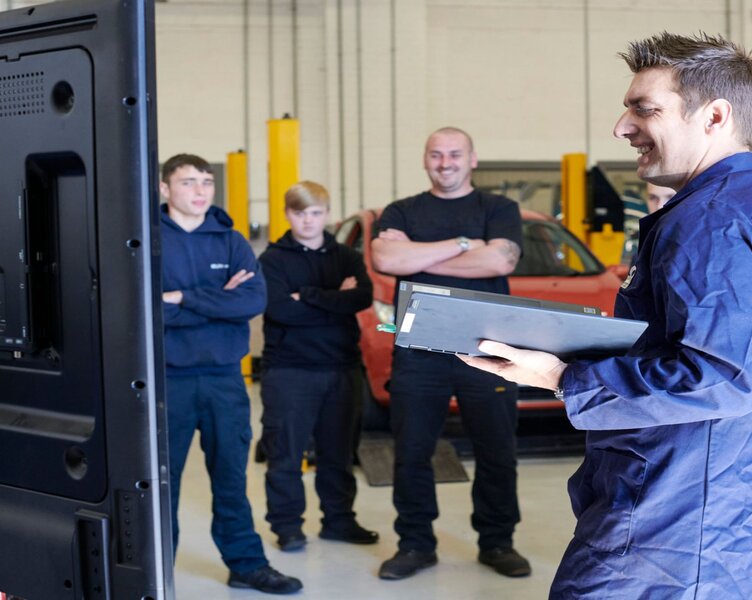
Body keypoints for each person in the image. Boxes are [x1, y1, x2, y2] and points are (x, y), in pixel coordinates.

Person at [462, 32, 752, 598]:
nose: (622, 127)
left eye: (645, 109)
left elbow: (718, 377)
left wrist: (561, 376)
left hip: (681, 532)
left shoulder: (711, 219)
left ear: (714, 116)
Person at [370, 127, 528, 581]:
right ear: (425, 160)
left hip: (490, 349)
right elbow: (386, 260)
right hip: (419, 349)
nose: (445, 162)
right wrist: (463, 246)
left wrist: (417, 259)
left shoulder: (498, 208)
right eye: (436, 155)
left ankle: (498, 542)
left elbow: (500, 262)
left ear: (472, 159)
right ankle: (415, 544)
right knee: (412, 452)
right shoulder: (402, 209)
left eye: (454, 154)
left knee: (497, 450)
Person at [160, 154, 302, 594]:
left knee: (231, 478)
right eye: (188, 182)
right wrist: (213, 302)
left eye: (206, 182)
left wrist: (182, 298)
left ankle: (245, 564)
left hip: (224, 379)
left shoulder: (230, 240)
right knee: (162, 482)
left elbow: (250, 303)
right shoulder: (144, 239)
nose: (201, 191)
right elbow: (140, 310)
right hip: (167, 380)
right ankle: (155, 569)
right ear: (165, 190)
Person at [258, 181, 377, 552]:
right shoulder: (272, 260)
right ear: (287, 214)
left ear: (326, 213)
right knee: (285, 454)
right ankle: (287, 526)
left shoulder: (346, 256)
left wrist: (307, 297)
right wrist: (333, 299)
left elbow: (361, 297)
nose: (307, 221)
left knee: (338, 453)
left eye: (314, 213)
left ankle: (339, 521)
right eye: (299, 212)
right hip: (289, 370)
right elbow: (280, 309)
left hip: (341, 368)